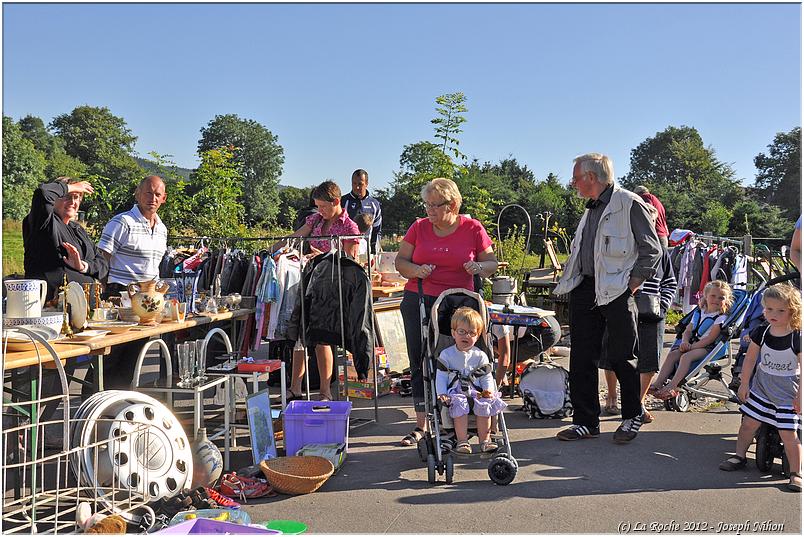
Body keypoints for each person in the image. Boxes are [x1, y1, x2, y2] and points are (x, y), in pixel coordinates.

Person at [553, 153, 661, 444]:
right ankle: (585, 422)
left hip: (617, 290)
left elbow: (652, 249)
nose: (572, 183)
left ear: (592, 177)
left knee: (622, 357)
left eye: (576, 177)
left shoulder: (629, 203)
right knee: (581, 357)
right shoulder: (591, 207)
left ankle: (632, 416)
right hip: (585, 288)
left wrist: (633, 284)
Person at [395, 178, 499, 447]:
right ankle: (422, 424)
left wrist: (478, 267)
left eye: (434, 205)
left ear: (452, 205)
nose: (428, 210)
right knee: (421, 359)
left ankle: (472, 416)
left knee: (464, 359)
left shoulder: (472, 228)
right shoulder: (418, 227)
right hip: (420, 298)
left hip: (459, 303)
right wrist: (416, 271)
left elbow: (491, 263)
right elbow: (400, 262)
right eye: (426, 204)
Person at [279, 180, 360, 402]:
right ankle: (295, 387)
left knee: (322, 340)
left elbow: (350, 262)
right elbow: (296, 236)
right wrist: (272, 250)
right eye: (317, 206)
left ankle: (325, 391)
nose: (320, 211)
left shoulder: (349, 227)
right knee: (298, 337)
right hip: (308, 280)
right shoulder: (315, 219)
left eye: (323, 206)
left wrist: (324, 256)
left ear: (336, 202)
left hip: (331, 288)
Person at [719, 284, 801, 493]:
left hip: (787, 391)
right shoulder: (761, 332)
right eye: (769, 309)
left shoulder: (796, 337)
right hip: (762, 387)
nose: (773, 314)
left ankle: (795, 472)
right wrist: (744, 383)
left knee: (788, 433)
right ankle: (739, 456)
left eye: (780, 310)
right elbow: (751, 359)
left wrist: (801, 395)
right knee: (748, 424)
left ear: (793, 311)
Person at [96, 175, 168, 389]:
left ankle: (119, 409)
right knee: (110, 360)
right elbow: (102, 259)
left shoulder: (162, 229)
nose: (152, 198)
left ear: (164, 198)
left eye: (157, 194)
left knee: (133, 360)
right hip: (120, 296)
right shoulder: (122, 222)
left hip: (148, 302)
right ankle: (94, 411)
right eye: (147, 192)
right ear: (137, 194)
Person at [600, 226, 678, 423]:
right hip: (620, 307)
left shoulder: (660, 251)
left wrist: (662, 306)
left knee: (649, 359)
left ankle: (638, 402)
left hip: (652, 311)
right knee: (612, 353)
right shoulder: (621, 248)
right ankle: (612, 395)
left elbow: (670, 281)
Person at [23, 177, 108, 301]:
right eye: (67, 196)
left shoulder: (78, 230)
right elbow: (43, 193)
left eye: (77, 197)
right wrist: (72, 187)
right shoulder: (43, 223)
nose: (72, 202)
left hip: (86, 307)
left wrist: (82, 266)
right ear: (55, 198)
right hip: (50, 307)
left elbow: (102, 265)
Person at [436, 307, 507, 454]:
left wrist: (489, 390)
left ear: (478, 335)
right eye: (462, 332)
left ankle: (485, 440)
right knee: (459, 403)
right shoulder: (446, 355)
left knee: (485, 404)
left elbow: (486, 376)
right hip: (455, 392)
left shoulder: (480, 356)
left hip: (476, 392)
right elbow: (441, 377)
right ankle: (462, 441)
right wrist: (442, 393)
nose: (466, 336)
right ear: (453, 333)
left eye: (472, 333)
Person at [649, 279, 732, 400]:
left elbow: (710, 338)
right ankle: (658, 383)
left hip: (708, 347)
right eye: (713, 296)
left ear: (726, 300)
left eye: (721, 297)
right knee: (672, 355)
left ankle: (673, 385)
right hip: (692, 343)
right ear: (706, 296)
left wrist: (691, 347)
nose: (717, 300)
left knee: (686, 357)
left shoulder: (720, 317)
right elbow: (688, 330)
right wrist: (685, 342)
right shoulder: (699, 312)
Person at [341, 169, 382, 254]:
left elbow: (377, 230)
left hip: (366, 251)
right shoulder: (343, 201)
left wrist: (374, 251)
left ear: (366, 184)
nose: (357, 187)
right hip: (347, 251)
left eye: (360, 184)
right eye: (354, 183)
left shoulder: (375, 204)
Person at [634, 185, 669, 250]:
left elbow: (650, 211)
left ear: (638, 194)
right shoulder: (656, 200)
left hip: (656, 236)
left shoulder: (645, 197)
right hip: (663, 235)